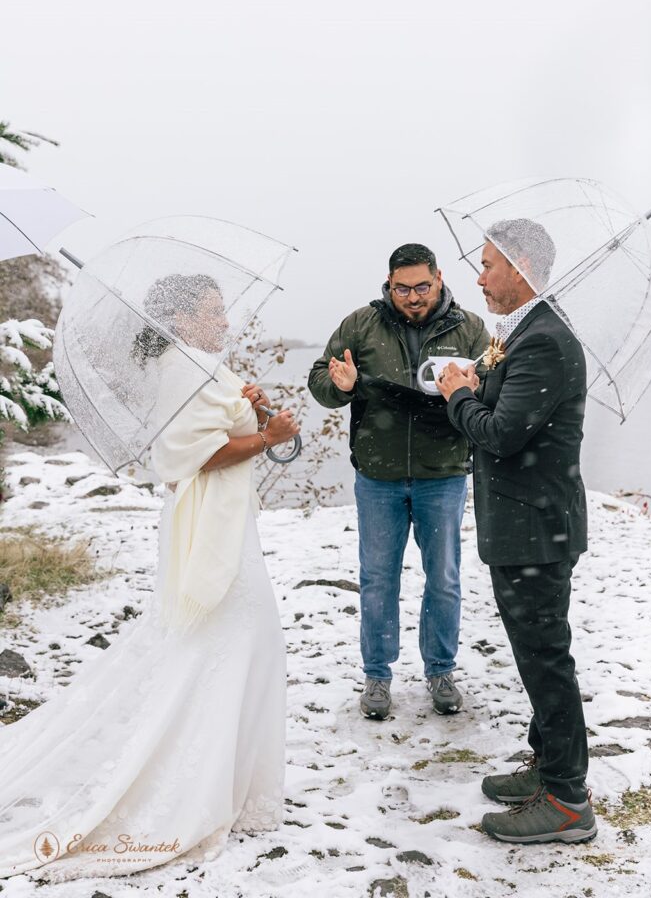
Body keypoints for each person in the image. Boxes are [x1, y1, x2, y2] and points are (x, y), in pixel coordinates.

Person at [0, 273, 300, 881]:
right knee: (230, 638)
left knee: (245, 641)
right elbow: (182, 458)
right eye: (213, 312)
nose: (223, 321)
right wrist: (266, 435)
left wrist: (250, 405)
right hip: (211, 523)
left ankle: (232, 781)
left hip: (228, 520)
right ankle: (199, 780)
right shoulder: (183, 366)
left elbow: (213, 431)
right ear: (183, 319)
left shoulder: (201, 363)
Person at [436, 219, 596, 844]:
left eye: (489, 264)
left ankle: (565, 800)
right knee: (538, 655)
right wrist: (477, 384)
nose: (479, 277)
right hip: (527, 525)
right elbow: (506, 413)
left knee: (545, 658)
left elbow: (502, 434)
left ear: (523, 265)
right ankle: (547, 768)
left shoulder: (544, 340)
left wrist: (457, 395)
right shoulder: (525, 332)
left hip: (536, 528)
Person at [308, 243, 490, 719]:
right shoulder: (360, 325)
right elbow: (319, 381)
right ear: (389, 284)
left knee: (445, 579)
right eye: (402, 288)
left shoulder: (469, 328)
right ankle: (377, 677)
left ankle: (441, 671)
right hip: (378, 476)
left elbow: (496, 388)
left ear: (439, 278)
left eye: (422, 287)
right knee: (377, 579)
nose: (412, 297)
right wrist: (341, 386)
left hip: (444, 474)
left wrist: (473, 385)